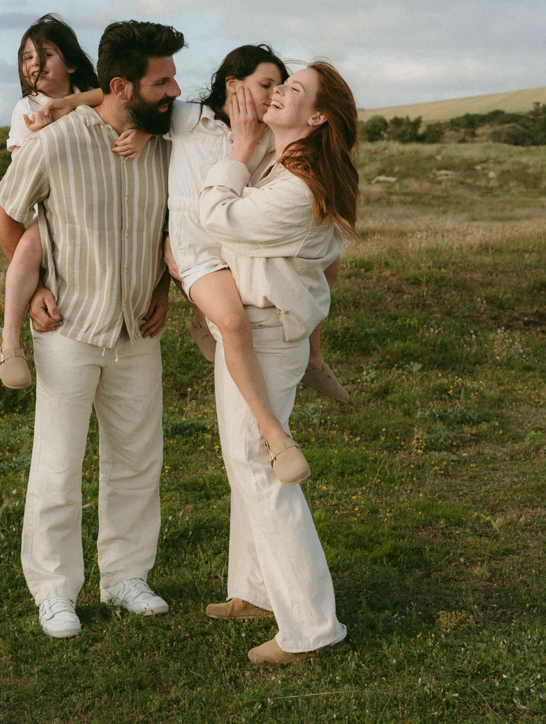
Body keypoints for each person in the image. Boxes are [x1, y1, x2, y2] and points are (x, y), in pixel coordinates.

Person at [33, 45, 348, 486]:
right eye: (265, 85)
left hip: (233, 251)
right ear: (233, 86)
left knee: (328, 261)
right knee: (235, 324)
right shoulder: (190, 118)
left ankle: (313, 356)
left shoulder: (263, 139)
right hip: (197, 253)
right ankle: (274, 433)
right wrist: (93, 111)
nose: (273, 95)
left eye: (280, 87)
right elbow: (136, 105)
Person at [0, 20, 182, 640]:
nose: (174, 89)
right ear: (121, 85)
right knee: (58, 464)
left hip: (138, 329)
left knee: (137, 460)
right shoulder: (58, 140)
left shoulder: (164, 141)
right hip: (70, 325)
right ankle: (54, 591)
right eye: (162, 80)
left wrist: (161, 290)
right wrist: (36, 286)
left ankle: (126, 577)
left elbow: (165, 230)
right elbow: (7, 208)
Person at [197, 60, 359, 665]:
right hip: (261, 328)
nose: (280, 91)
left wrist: (235, 152)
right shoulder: (286, 165)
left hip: (265, 332)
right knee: (245, 464)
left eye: (294, 89)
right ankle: (258, 592)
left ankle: (313, 629)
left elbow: (218, 218)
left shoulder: (295, 187)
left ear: (316, 115)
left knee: (261, 469)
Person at [0, 14, 143, 389]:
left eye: (45, 54)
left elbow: (113, 101)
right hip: (47, 202)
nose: (34, 64)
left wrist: (139, 131)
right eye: (27, 57)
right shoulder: (27, 105)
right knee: (28, 249)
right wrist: (44, 135)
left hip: (93, 199)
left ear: (72, 62)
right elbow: (20, 166)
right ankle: (10, 341)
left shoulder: (87, 92)